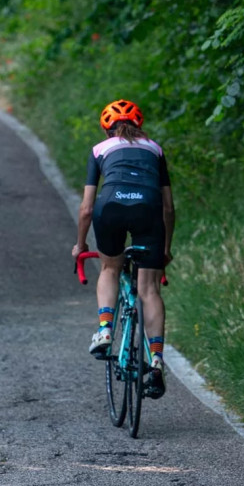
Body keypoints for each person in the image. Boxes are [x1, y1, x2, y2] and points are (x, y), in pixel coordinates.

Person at [71, 99, 175, 399]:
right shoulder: (155, 149)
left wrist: (80, 245)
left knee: (110, 267)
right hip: (148, 209)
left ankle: (105, 328)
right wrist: (165, 248)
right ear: (139, 126)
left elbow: (87, 208)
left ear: (107, 130)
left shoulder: (99, 150)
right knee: (150, 289)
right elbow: (168, 208)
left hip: (111, 207)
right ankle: (156, 361)